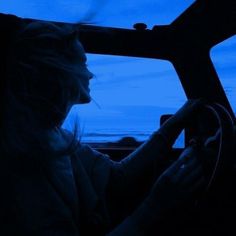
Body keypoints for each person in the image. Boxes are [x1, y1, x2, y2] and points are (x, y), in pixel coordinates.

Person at [0, 14, 205, 236]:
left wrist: (176, 122)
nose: (90, 74)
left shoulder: (58, 136)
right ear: (55, 71)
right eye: (82, 62)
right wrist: (155, 207)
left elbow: (117, 177)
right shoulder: (19, 162)